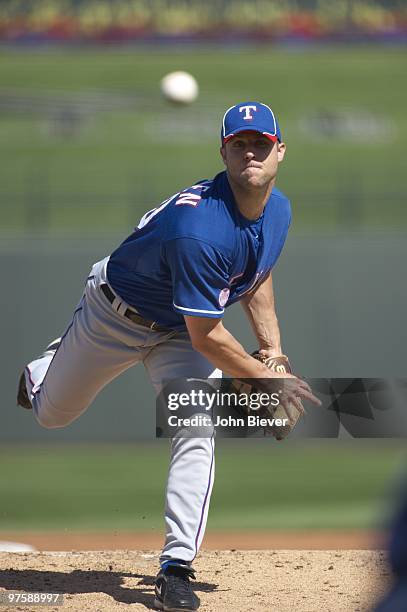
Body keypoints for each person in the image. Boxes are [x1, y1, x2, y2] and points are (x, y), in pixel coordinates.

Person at [17, 101, 320, 612]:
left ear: (280, 152)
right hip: (116, 315)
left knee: (196, 424)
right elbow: (208, 337)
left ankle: (175, 566)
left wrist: (272, 352)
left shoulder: (280, 210)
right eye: (240, 143)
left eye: (260, 144)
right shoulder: (199, 227)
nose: (251, 152)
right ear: (222, 152)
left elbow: (257, 274)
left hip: (180, 331)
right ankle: (43, 371)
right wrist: (272, 386)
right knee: (52, 415)